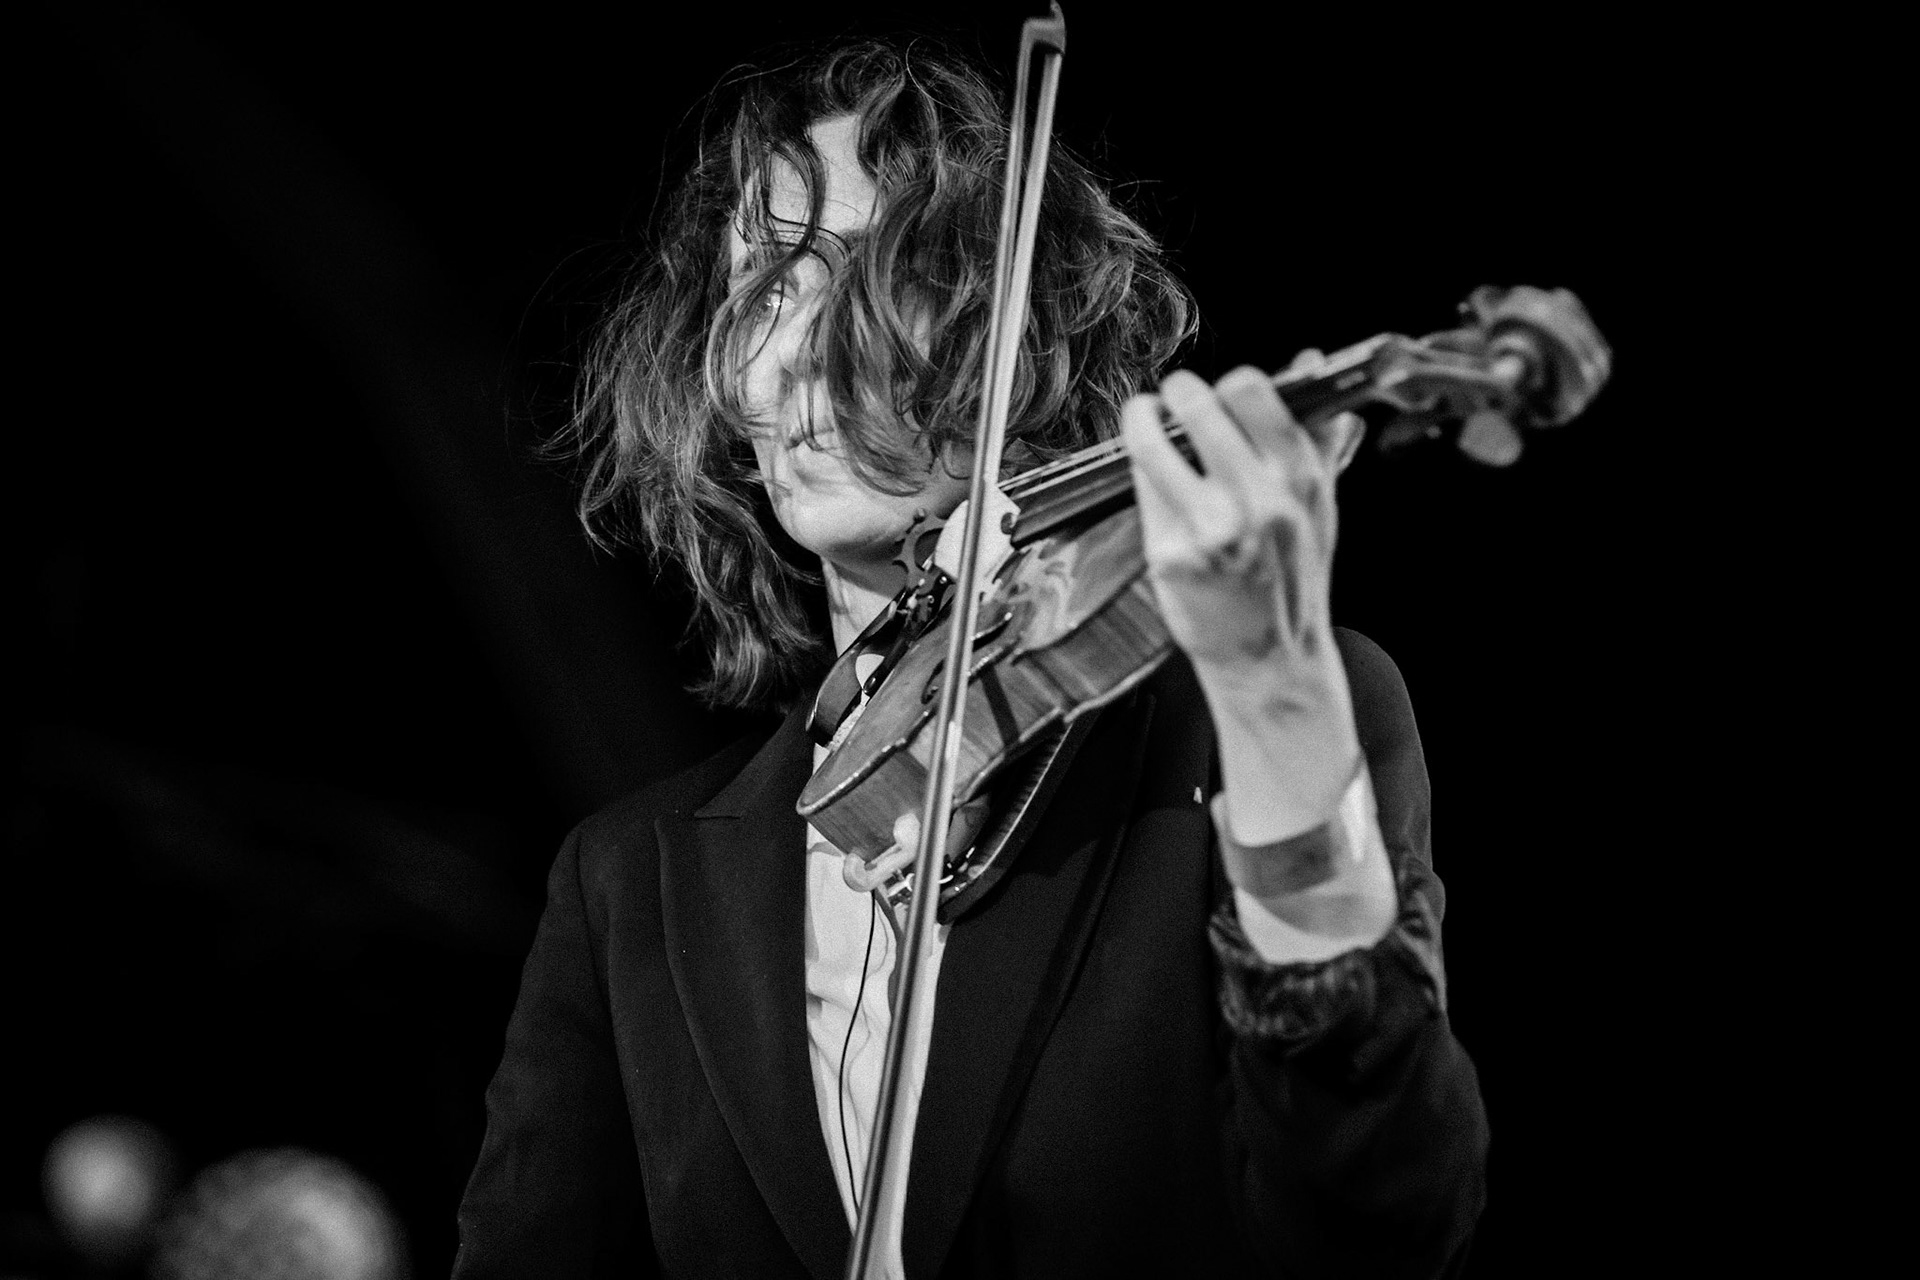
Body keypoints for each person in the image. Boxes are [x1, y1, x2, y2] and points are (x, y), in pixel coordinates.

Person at [454, 37, 1487, 1280]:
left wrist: (1276, 696)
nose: (797, 353)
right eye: (763, 288)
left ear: (1021, 338)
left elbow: (1383, 1219)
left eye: (874, 280)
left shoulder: (1246, 742)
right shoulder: (625, 884)